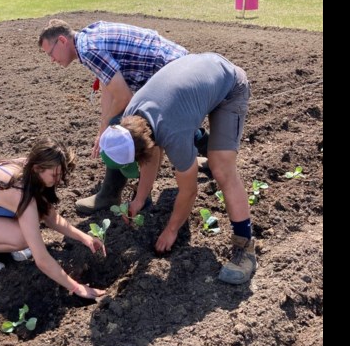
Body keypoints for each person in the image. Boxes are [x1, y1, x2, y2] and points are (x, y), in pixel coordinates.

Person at [96, 53, 257, 285]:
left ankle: (245, 248)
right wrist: (140, 199)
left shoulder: (173, 132)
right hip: (200, 74)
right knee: (196, 155)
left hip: (230, 86)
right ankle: (195, 159)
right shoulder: (132, 117)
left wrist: (171, 230)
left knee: (222, 169)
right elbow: (151, 153)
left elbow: (189, 191)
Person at [38, 19, 208, 214]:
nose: (52, 59)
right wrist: (103, 126)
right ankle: (211, 157)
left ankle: (111, 194)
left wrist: (107, 129)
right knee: (148, 125)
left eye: (50, 53)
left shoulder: (88, 51)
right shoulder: (87, 38)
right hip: (176, 67)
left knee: (124, 133)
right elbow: (108, 89)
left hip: (174, 75)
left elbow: (124, 96)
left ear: (62, 40)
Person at [0, 138, 106, 300]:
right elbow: (41, 259)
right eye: (54, 175)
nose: (58, 180)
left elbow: (50, 217)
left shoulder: (31, 169)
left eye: (60, 174)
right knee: (23, 239)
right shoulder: (19, 191)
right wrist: (76, 287)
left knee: (31, 221)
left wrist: (85, 238)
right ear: (38, 168)